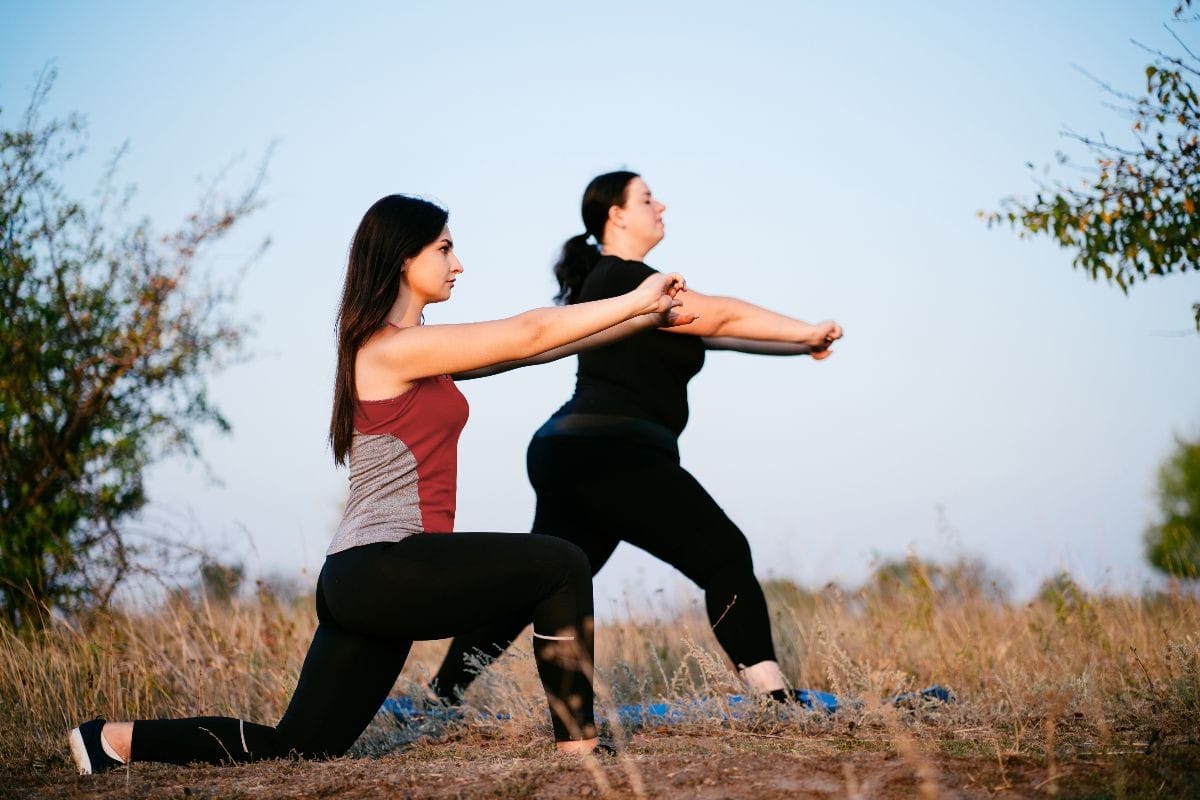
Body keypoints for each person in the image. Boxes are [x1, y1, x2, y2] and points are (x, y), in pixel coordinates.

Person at [67, 193, 693, 774]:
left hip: (364, 577)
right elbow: (528, 331)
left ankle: (110, 741)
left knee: (300, 746)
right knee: (562, 564)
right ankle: (579, 747)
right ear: (403, 257)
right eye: (444, 249)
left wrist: (643, 319)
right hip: (385, 565)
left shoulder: (413, 352)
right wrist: (637, 297)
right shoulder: (387, 349)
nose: (459, 264)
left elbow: (531, 351)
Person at [429, 171, 843, 706]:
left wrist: (799, 345)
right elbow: (725, 314)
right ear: (616, 215)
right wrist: (806, 329)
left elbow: (728, 334)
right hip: (611, 453)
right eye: (647, 198)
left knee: (545, 582)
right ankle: (775, 700)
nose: (661, 205)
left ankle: (440, 696)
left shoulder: (621, 284)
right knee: (724, 555)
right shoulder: (624, 278)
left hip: (575, 452)